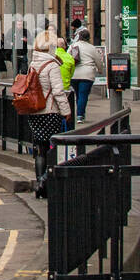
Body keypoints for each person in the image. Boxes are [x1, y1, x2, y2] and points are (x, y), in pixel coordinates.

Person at [26, 39, 72, 197]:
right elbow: (58, 91)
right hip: (50, 111)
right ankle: (45, 183)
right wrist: (66, 111)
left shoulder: (33, 63)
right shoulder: (52, 65)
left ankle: (39, 183)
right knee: (52, 148)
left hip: (34, 111)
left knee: (40, 149)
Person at [69, 27, 104, 123]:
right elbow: (98, 61)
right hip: (87, 75)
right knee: (83, 95)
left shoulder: (73, 46)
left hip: (74, 74)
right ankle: (80, 115)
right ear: (89, 38)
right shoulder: (92, 48)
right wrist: (100, 70)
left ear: (79, 37)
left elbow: (68, 59)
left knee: (78, 95)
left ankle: (80, 113)